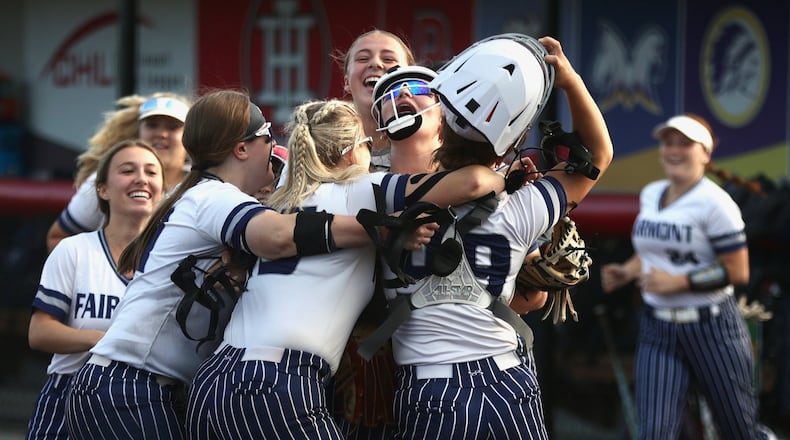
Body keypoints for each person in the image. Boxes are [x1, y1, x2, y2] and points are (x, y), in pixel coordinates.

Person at [64, 89, 420, 440]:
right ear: (242, 148)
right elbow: (277, 236)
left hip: (137, 387)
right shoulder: (213, 196)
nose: (274, 148)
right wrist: (385, 229)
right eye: (266, 136)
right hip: (131, 389)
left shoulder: (201, 193)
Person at [184, 98, 511, 439]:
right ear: (351, 152)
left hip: (215, 381)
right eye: (368, 145)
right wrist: (507, 179)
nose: (372, 155)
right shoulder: (365, 189)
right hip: (280, 382)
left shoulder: (278, 198)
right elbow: (474, 182)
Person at [371, 33, 613, 439]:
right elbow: (598, 156)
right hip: (505, 382)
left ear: (441, 131)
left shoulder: (381, 194)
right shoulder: (520, 209)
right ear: (508, 148)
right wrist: (569, 79)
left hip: (430, 389)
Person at [600, 113, 776, 439]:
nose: (675, 150)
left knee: (739, 431)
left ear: (705, 154)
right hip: (658, 327)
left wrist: (679, 282)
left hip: (712, 327)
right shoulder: (652, 193)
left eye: (685, 143)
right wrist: (627, 270)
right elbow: (654, 251)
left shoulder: (716, 203)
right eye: (669, 143)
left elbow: (737, 271)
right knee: (653, 433)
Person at [26, 140, 165, 440]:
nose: (141, 178)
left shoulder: (172, 262)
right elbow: (39, 333)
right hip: (69, 390)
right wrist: (105, 341)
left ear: (163, 192)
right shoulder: (74, 250)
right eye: (127, 170)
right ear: (102, 189)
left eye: (151, 172)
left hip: (143, 401)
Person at [46, 92, 191, 251]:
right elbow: (57, 237)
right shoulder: (108, 180)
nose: (161, 134)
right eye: (152, 125)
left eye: (173, 127)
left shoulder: (203, 185)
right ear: (138, 132)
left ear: (189, 135)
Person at [333, 28, 416, 171]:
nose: (375, 64)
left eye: (388, 59)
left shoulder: (433, 147)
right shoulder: (322, 147)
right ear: (346, 82)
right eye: (363, 59)